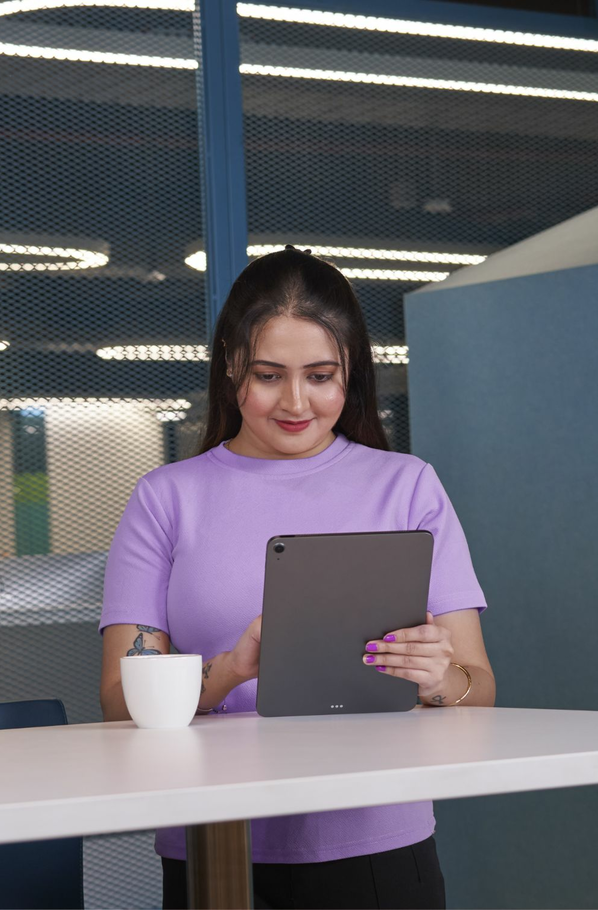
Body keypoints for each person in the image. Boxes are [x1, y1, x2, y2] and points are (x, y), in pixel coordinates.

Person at [98, 244, 496, 910]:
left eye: (320, 376)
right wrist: (231, 669)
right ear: (231, 368)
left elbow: (477, 688)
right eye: (267, 375)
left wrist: (440, 678)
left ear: (351, 375)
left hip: (378, 844)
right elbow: (118, 699)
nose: (295, 402)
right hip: (214, 843)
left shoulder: (408, 487)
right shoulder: (164, 498)